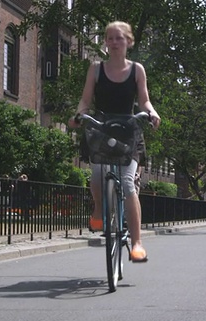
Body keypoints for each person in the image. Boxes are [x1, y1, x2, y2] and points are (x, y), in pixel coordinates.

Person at [68, 21, 161, 263]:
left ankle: (137, 243)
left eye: (119, 38)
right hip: (101, 129)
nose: (113, 42)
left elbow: (144, 100)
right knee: (97, 177)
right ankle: (99, 209)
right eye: (109, 38)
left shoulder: (137, 70)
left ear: (128, 41)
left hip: (128, 130)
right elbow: (85, 100)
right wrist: (79, 115)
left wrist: (152, 113)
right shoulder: (96, 69)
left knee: (128, 184)